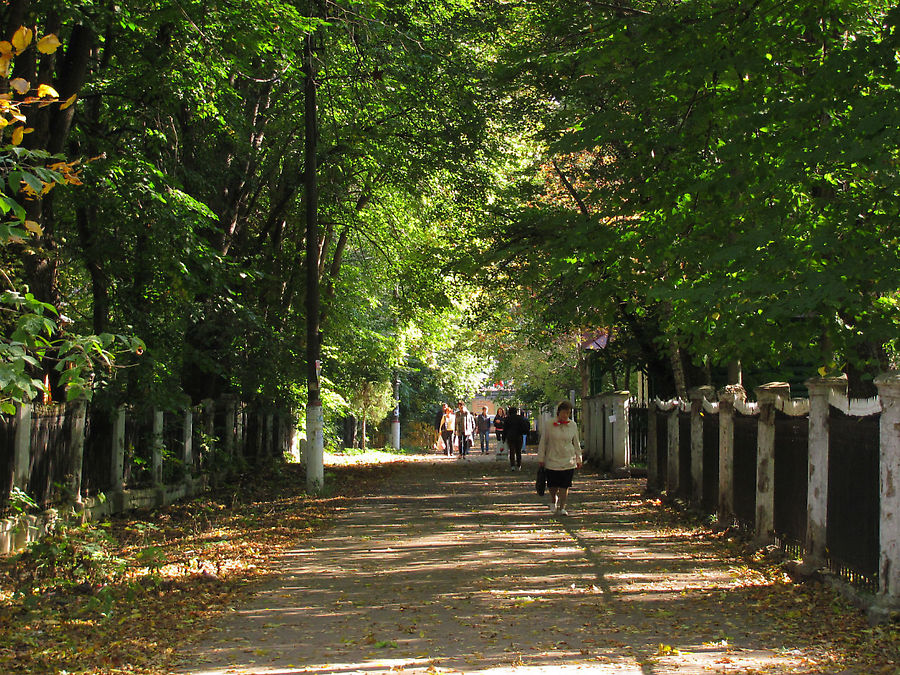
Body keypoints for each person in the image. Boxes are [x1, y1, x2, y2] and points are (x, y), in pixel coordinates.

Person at [536, 400, 583, 516]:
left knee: (565, 485)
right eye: (564, 412)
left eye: (568, 413)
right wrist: (541, 457)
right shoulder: (549, 424)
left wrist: (579, 458)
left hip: (568, 459)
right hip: (552, 458)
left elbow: (576, 443)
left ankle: (562, 507)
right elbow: (544, 442)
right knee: (552, 485)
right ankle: (553, 499)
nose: (565, 415)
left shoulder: (573, 425)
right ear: (559, 412)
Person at [505, 406, 529, 470]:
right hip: (519, 436)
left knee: (512, 451)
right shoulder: (520, 418)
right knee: (518, 451)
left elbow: (505, 429)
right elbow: (525, 427)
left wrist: (504, 438)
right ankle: (519, 465)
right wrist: (525, 433)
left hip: (510, 437)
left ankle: (512, 465)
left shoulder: (507, 419)